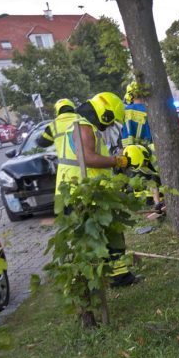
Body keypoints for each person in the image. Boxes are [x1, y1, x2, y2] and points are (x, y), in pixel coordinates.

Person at [54, 92, 140, 287]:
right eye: (110, 122)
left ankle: (117, 276)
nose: (109, 126)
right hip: (84, 195)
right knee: (102, 238)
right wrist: (118, 160)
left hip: (86, 193)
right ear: (105, 114)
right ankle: (106, 280)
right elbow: (88, 158)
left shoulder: (84, 125)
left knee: (110, 237)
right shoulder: (83, 127)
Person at [121, 81, 157, 164]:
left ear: (130, 95)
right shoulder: (151, 109)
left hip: (131, 153)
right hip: (151, 151)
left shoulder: (126, 111)